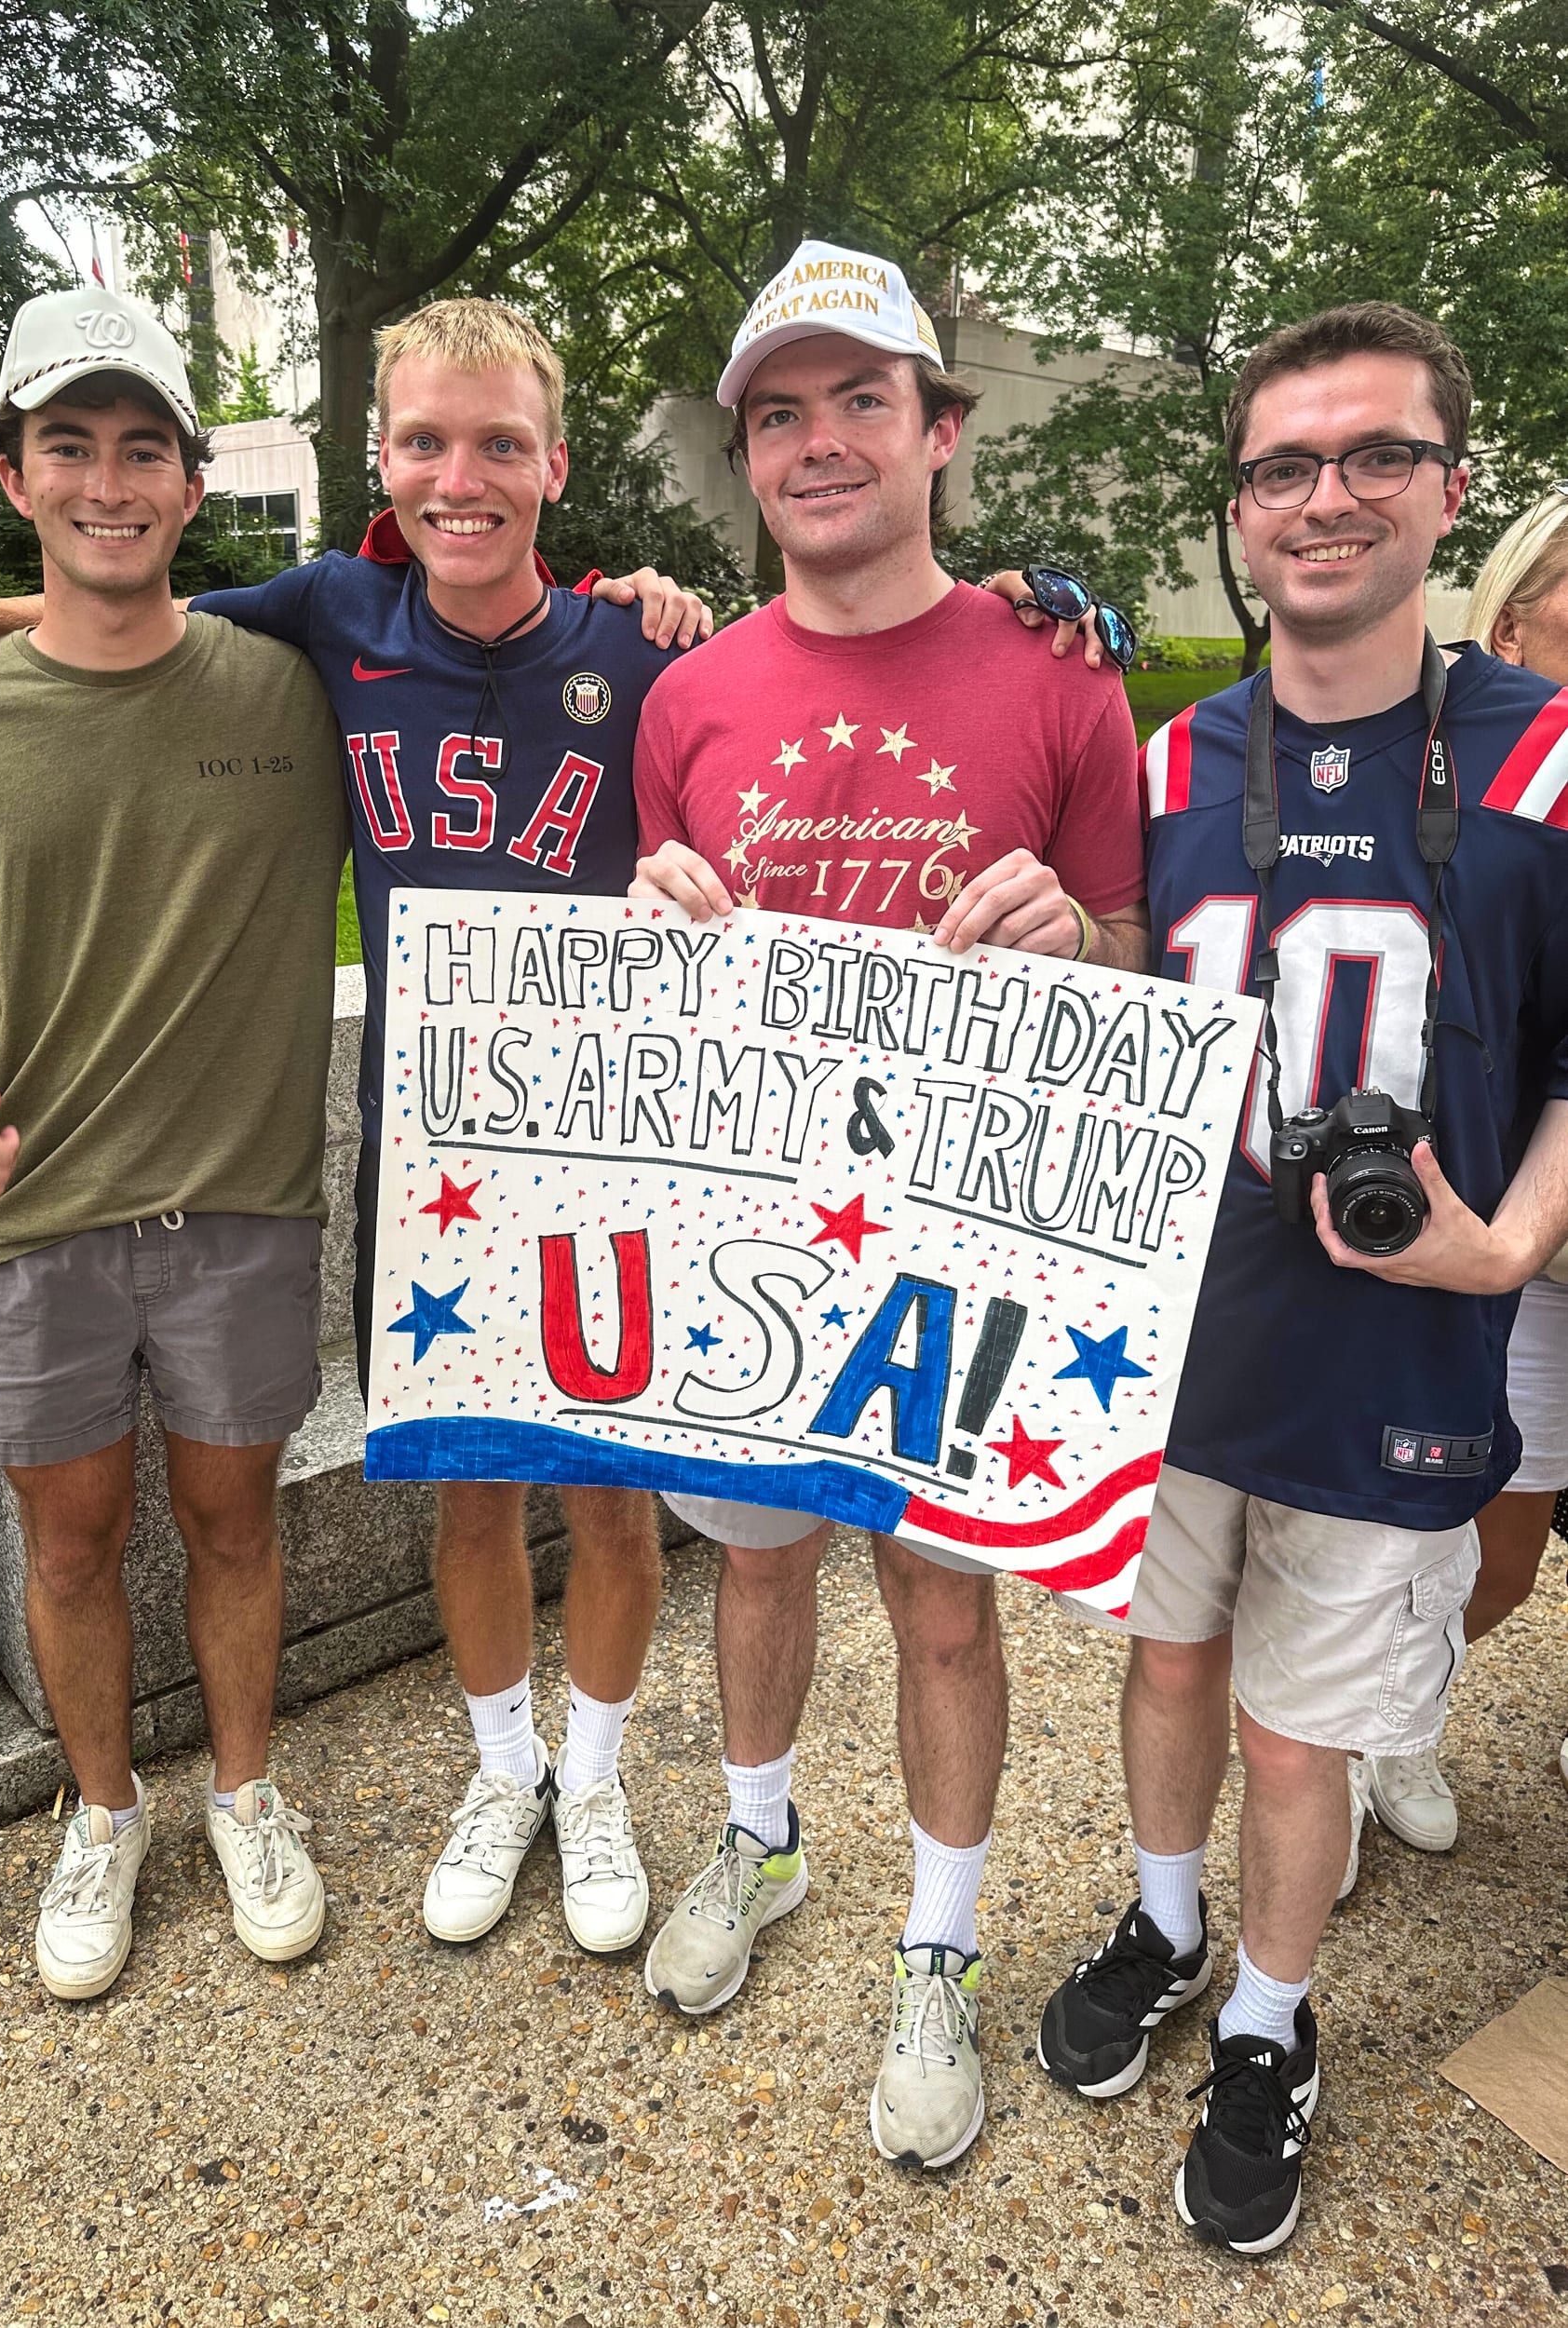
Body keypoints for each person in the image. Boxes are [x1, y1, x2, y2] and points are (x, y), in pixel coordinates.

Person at [0, 298, 712, 1961]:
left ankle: (588, 1783)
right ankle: (499, 1769)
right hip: (432, 1152)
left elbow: (775, 723)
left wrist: (1043, 612)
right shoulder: (332, 614)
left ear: (554, 461)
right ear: (377, 460)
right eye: (427, 444)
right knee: (464, 1499)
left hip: (609, 1145)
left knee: (610, 1507)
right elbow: (112, 602)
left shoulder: (642, 649)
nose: (464, 476)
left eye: (503, 443)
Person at [1035, 305, 1568, 2255]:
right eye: (1281, 465)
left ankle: (1269, 2010)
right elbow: (1109, 1017)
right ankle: (1164, 1919)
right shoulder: (1169, 753)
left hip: (1401, 1350)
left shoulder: (1545, 757)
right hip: (1169, 1346)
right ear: (1238, 513)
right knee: (1165, 1658)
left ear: (1446, 485)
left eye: (1368, 456)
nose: (1322, 496)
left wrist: (1508, 1240)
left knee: (1296, 1726)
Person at [628, 238, 1148, 2171]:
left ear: (939, 430)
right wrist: (645, 921)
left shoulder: (1056, 676)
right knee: (753, 1562)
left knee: (941, 1606)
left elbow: (1126, 963)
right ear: (746, 457)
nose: (820, 439)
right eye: (780, 410)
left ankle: (937, 1940)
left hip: (956, 1247)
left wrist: (1075, 942)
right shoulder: (687, 696)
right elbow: (651, 976)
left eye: (862, 399)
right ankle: (756, 1835)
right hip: (756, 1238)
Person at [0, 288, 345, 1998]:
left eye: (146, 447)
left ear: (194, 487)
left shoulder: (296, 689)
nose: (109, 481)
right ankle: (101, 1808)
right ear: (13, 474)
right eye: (70, 445)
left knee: (233, 1523)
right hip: (33, 1211)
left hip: (239, 1204)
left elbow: (494, 631)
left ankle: (247, 1790)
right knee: (68, 1545)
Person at [1358, 482, 1568, 1848]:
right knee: (1495, 1522)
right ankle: (1386, 1723)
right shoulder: (1472, 761)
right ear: (1512, 612)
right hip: (1516, 1206)